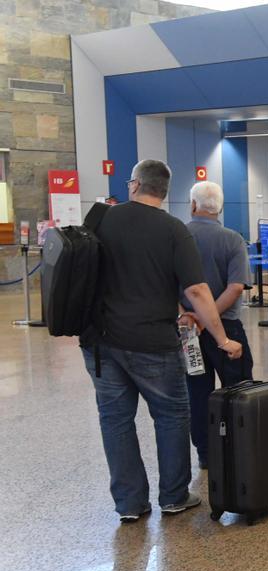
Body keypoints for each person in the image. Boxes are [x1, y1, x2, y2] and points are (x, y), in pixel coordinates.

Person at [82, 160, 243, 523]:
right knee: (171, 415)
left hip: (101, 342)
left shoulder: (101, 219)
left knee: (115, 420)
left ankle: (129, 504)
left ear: (135, 184)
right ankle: (173, 496)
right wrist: (221, 338)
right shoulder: (172, 230)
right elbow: (197, 290)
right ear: (165, 192)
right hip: (153, 340)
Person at [179, 181, 254, 470]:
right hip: (228, 329)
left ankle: (206, 454)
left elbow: (166, 285)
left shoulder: (179, 236)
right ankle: (239, 447)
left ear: (193, 205)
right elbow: (236, 287)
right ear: (220, 207)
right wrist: (208, 316)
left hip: (189, 332)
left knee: (197, 392)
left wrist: (194, 316)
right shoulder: (232, 239)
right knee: (238, 389)